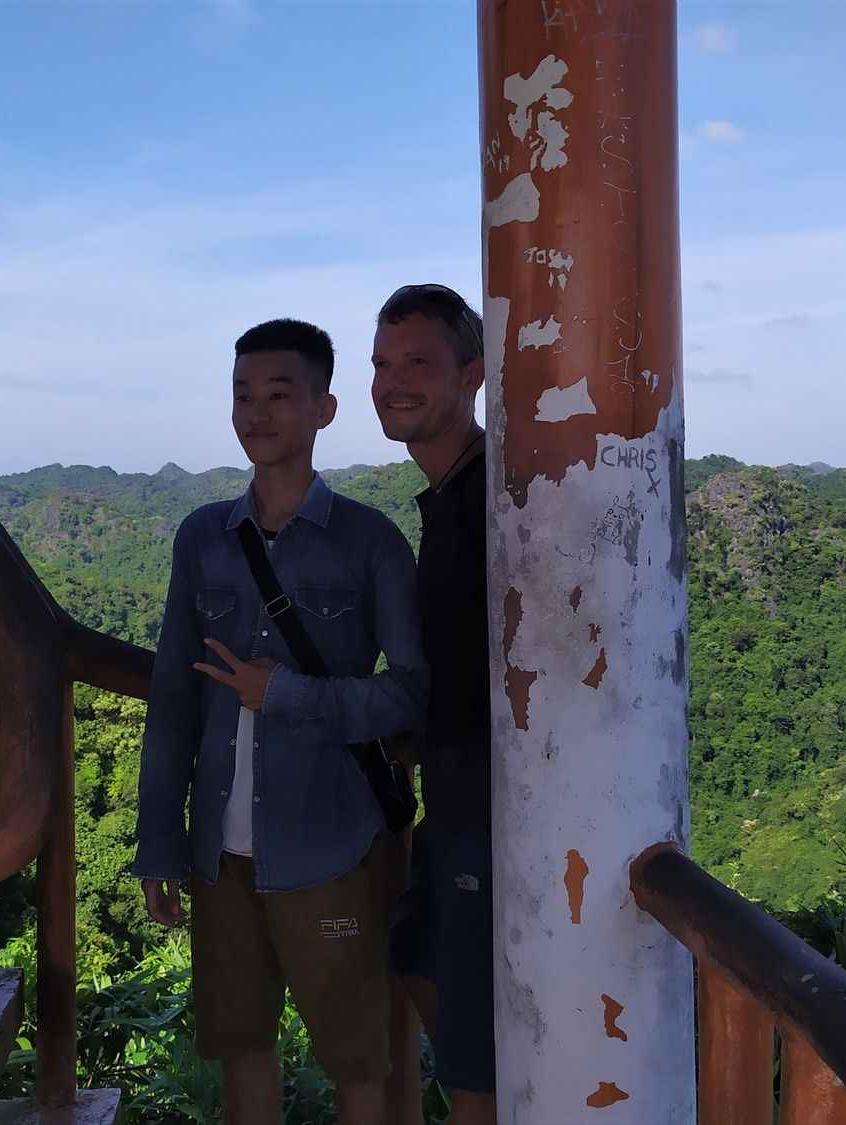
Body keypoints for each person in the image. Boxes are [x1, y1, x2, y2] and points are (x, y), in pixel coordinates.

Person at [132, 318, 428, 1125]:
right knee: (242, 1051)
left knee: (358, 1061)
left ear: (324, 408)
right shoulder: (202, 539)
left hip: (332, 845)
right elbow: (173, 698)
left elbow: (411, 694)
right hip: (218, 855)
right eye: (242, 395)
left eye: (278, 393)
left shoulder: (370, 542)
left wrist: (288, 694)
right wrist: (158, 840)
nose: (256, 412)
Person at [370, 284, 496, 1124]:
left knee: (476, 1060)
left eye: (418, 361)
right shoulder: (451, 495)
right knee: (415, 957)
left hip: (491, 813)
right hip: (450, 807)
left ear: (473, 374)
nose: (393, 381)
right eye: (383, 363)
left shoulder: (496, 497)